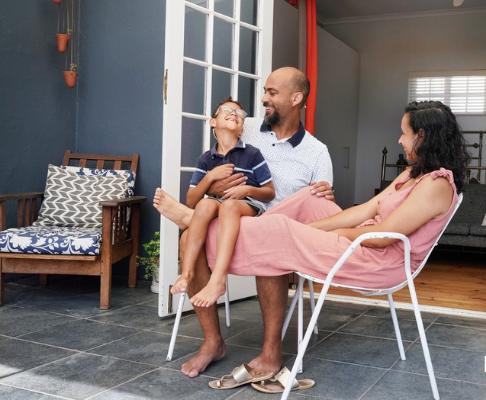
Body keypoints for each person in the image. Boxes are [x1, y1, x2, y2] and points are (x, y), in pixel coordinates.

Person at [156, 100, 470, 390]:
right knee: (308, 198)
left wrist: (309, 232)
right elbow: (364, 210)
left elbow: (384, 236)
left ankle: (196, 222)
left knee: (277, 231)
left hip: (377, 257)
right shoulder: (413, 174)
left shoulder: (437, 184)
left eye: (404, 134)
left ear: (423, 136)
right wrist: (309, 228)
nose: (400, 141)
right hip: (364, 236)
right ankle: (212, 225)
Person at [154, 67, 334, 378]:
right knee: (188, 240)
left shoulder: (317, 153)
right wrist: (212, 186)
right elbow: (216, 162)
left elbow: (322, 211)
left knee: (268, 240)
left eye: (272, 93)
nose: (263, 98)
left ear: (296, 98)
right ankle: (212, 342)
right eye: (264, 90)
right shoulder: (246, 128)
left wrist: (326, 192)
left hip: (277, 233)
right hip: (232, 219)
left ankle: (271, 351)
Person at [176, 97, 275, 308]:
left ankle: (218, 278)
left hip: (247, 204)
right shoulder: (206, 159)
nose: (235, 114)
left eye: (240, 114)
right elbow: (192, 200)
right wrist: (211, 177)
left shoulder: (252, 154)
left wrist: (247, 189)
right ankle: (186, 272)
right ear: (213, 122)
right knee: (204, 205)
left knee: (229, 205)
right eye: (227, 110)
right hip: (215, 201)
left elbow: (269, 192)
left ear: (241, 129)